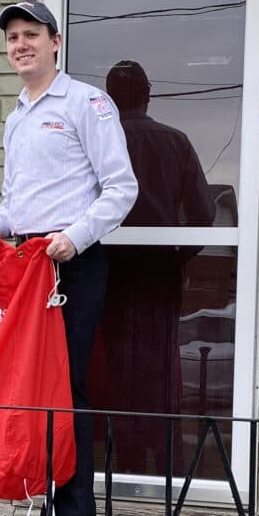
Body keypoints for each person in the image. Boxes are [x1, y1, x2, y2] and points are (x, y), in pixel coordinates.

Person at [0, 1, 138, 516]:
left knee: (65, 400)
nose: (21, 45)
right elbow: (16, 203)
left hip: (71, 265)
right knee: (31, 395)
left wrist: (76, 236)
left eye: (32, 35)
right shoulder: (17, 115)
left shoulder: (87, 103)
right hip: (27, 268)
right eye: (13, 37)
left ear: (56, 41)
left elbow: (121, 188)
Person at [97, 60, 216, 476]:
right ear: (148, 94)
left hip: (107, 275)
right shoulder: (175, 142)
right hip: (159, 277)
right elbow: (204, 214)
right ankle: (167, 469)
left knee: (116, 370)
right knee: (162, 368)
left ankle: (125, 469)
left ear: (108, 98)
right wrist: (176, 255)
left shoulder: (97, 143)